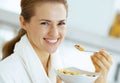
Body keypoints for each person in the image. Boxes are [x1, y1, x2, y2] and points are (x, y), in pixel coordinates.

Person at [0, 0, 112, 83]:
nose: (54, 33)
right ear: (23, 22)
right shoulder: (5, 74)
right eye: (44, 23)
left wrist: (100, 79)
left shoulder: (65, 70)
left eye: (61, 23)